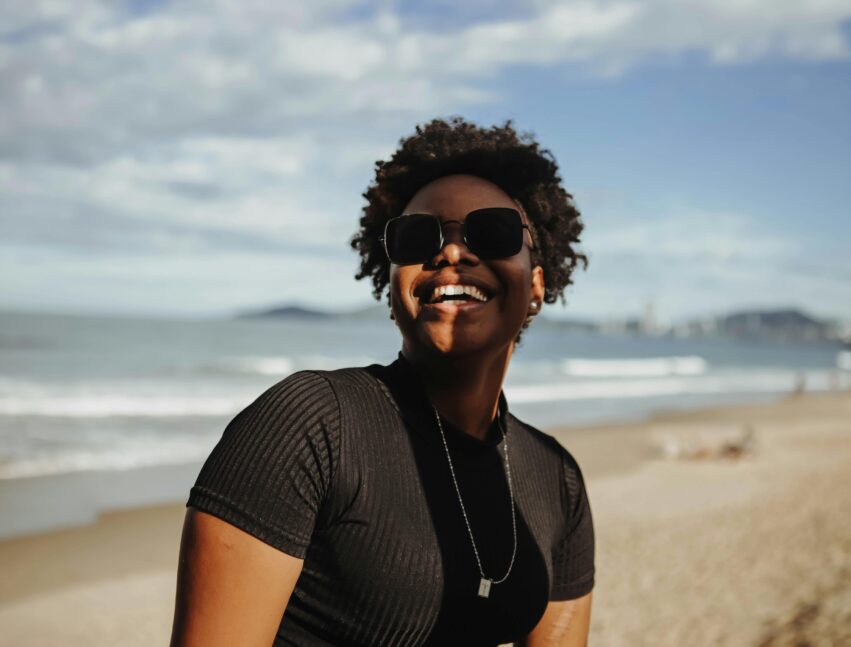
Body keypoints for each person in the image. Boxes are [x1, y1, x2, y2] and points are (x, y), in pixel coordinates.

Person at [170, 118, 594, 647]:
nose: (453, 252)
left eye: (493, 232)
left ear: (536, 284)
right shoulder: (309, 427)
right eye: (419, 237)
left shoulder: (557, 480)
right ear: (391, 281)